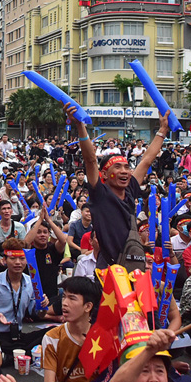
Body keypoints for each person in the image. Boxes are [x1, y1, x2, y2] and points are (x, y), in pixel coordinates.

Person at [77, 114, 171, 271]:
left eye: (127, 167)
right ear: (104, 175)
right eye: (117, 167)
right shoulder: (100, 194)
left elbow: (147, 159)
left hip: (133, 268)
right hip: (109, 271)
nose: (124, 171)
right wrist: (80, 126)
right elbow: (90, 160)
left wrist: (162, 129)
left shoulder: (130, 189)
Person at [0, 237, 50, 365]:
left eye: (22, 258)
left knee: (50, 333)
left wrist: (43, 307)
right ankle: (15, 355)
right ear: (4, 260)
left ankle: (9, 357)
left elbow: (35, 313)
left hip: (18, 334)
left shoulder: (30, 282)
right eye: (13, 259)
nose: (18, 262)